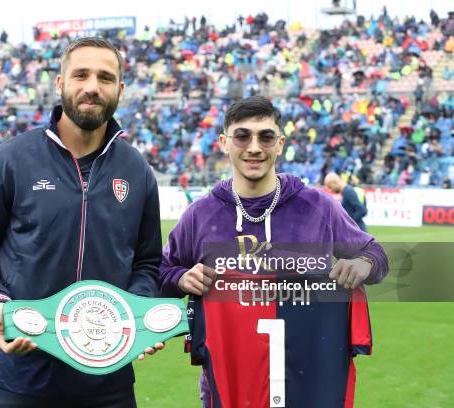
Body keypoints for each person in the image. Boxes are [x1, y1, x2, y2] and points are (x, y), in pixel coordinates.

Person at [0, 37, 163, 408]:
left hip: (108, 384)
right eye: (81, 74)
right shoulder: (11, 160)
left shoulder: (138, 171)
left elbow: (146, 263)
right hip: (19, 377)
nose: (92, 87)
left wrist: (140, 312)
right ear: (60, 82)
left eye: (105, 77)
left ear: (120, 89)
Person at [160, 96, 388, 408]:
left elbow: (375, 254)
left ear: (280, 144)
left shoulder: (318, 207)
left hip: (308, 384)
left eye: (266, 136)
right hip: (231, 389)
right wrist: (182, 278)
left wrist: (364, 263)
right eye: (242, 136)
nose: (254, 147)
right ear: (224, 142)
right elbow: (159, 271)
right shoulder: (200, 214)